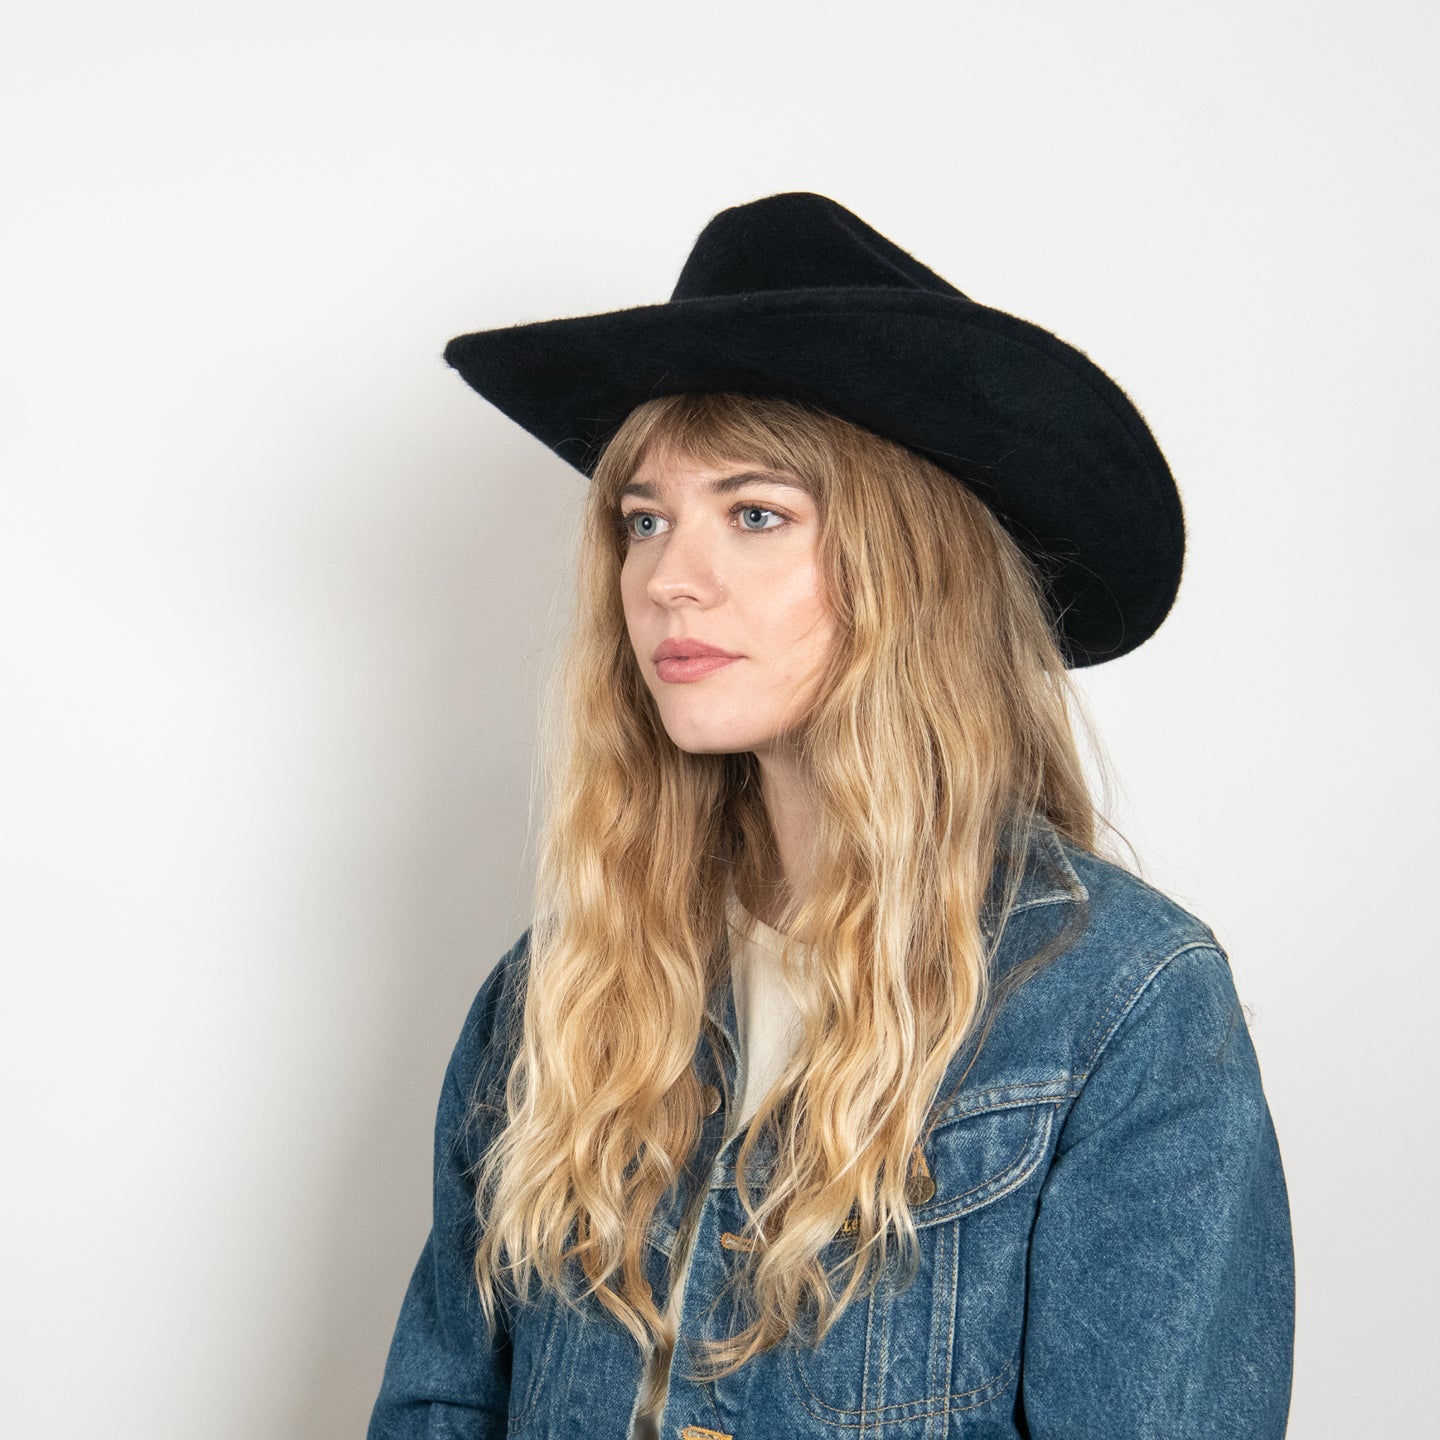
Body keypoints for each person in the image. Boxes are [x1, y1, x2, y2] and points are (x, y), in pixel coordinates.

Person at [367, 192, 1294, 1440]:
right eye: (645, 519)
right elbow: (440, 1400)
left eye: (756, 515)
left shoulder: (1119, 1007)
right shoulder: (561, 991)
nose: (668, 578)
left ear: (913, 572)